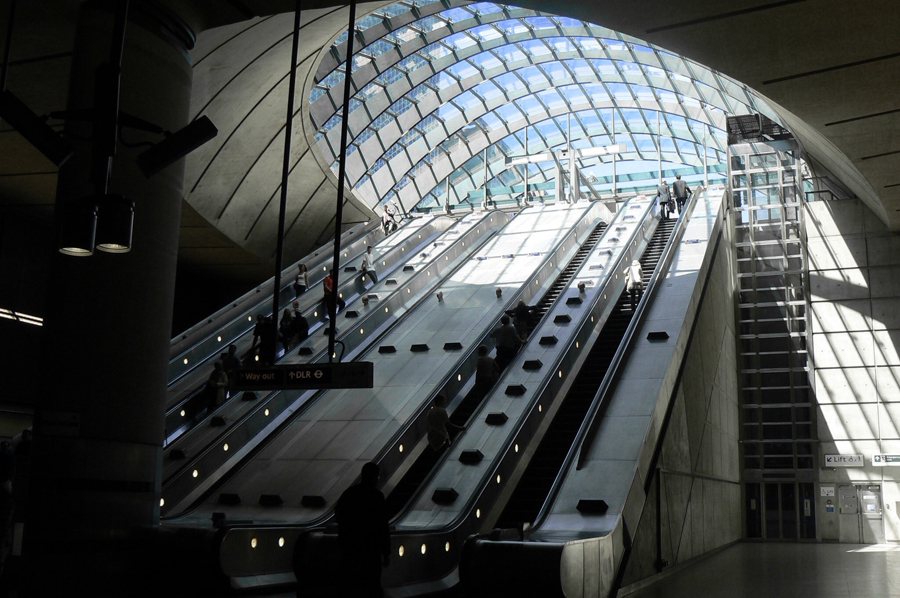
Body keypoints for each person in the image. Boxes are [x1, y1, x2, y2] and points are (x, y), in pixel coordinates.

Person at [335, 462, 390, 598]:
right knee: (372, 585)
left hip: (350, 547)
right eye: (376, 477)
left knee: (348, 582)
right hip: (370, 549)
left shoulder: (349, 493)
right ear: (373, 477)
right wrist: (386, 552)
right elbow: (382, 526)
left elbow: (338, 516)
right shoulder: (377, 497)